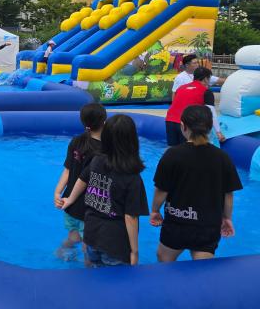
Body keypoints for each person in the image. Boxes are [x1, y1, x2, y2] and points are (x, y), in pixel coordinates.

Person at [151, 105, 242, 262]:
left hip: (177, 223)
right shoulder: (222, 157)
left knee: (164, 262)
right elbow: (228, 194)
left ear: (183, 126)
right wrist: (227, 218)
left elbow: (162, 190)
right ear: (209, 128)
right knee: (203, 273)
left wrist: (155, 210)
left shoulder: (172, 155)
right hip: (207, 226)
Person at [61, 115, 149, 267]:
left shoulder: (97, 160)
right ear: (133, 140)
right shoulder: (132, 177)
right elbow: (130, 217)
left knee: (92, 275)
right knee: (115, 284)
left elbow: (82, 179)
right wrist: (134, 251)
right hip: (114, 244)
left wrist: (70, 199)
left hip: (90, 235)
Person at [53, 103, 106, 261]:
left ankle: (61, 251)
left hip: (68, 202)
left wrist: (57, 192)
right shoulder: (104, 149)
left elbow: (68, 169)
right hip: (89, 205)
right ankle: (87, 274)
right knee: (88, 244)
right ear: (104, 121)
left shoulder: (76, 141)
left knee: (74, 235)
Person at [165, 67, 224, 146]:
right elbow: (211, 113)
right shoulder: (206, 92)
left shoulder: (181, 88)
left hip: (170, 121)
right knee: (188, 152)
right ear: (206, 79)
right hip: (185, 125)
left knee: (172, 150)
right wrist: (218, 132)